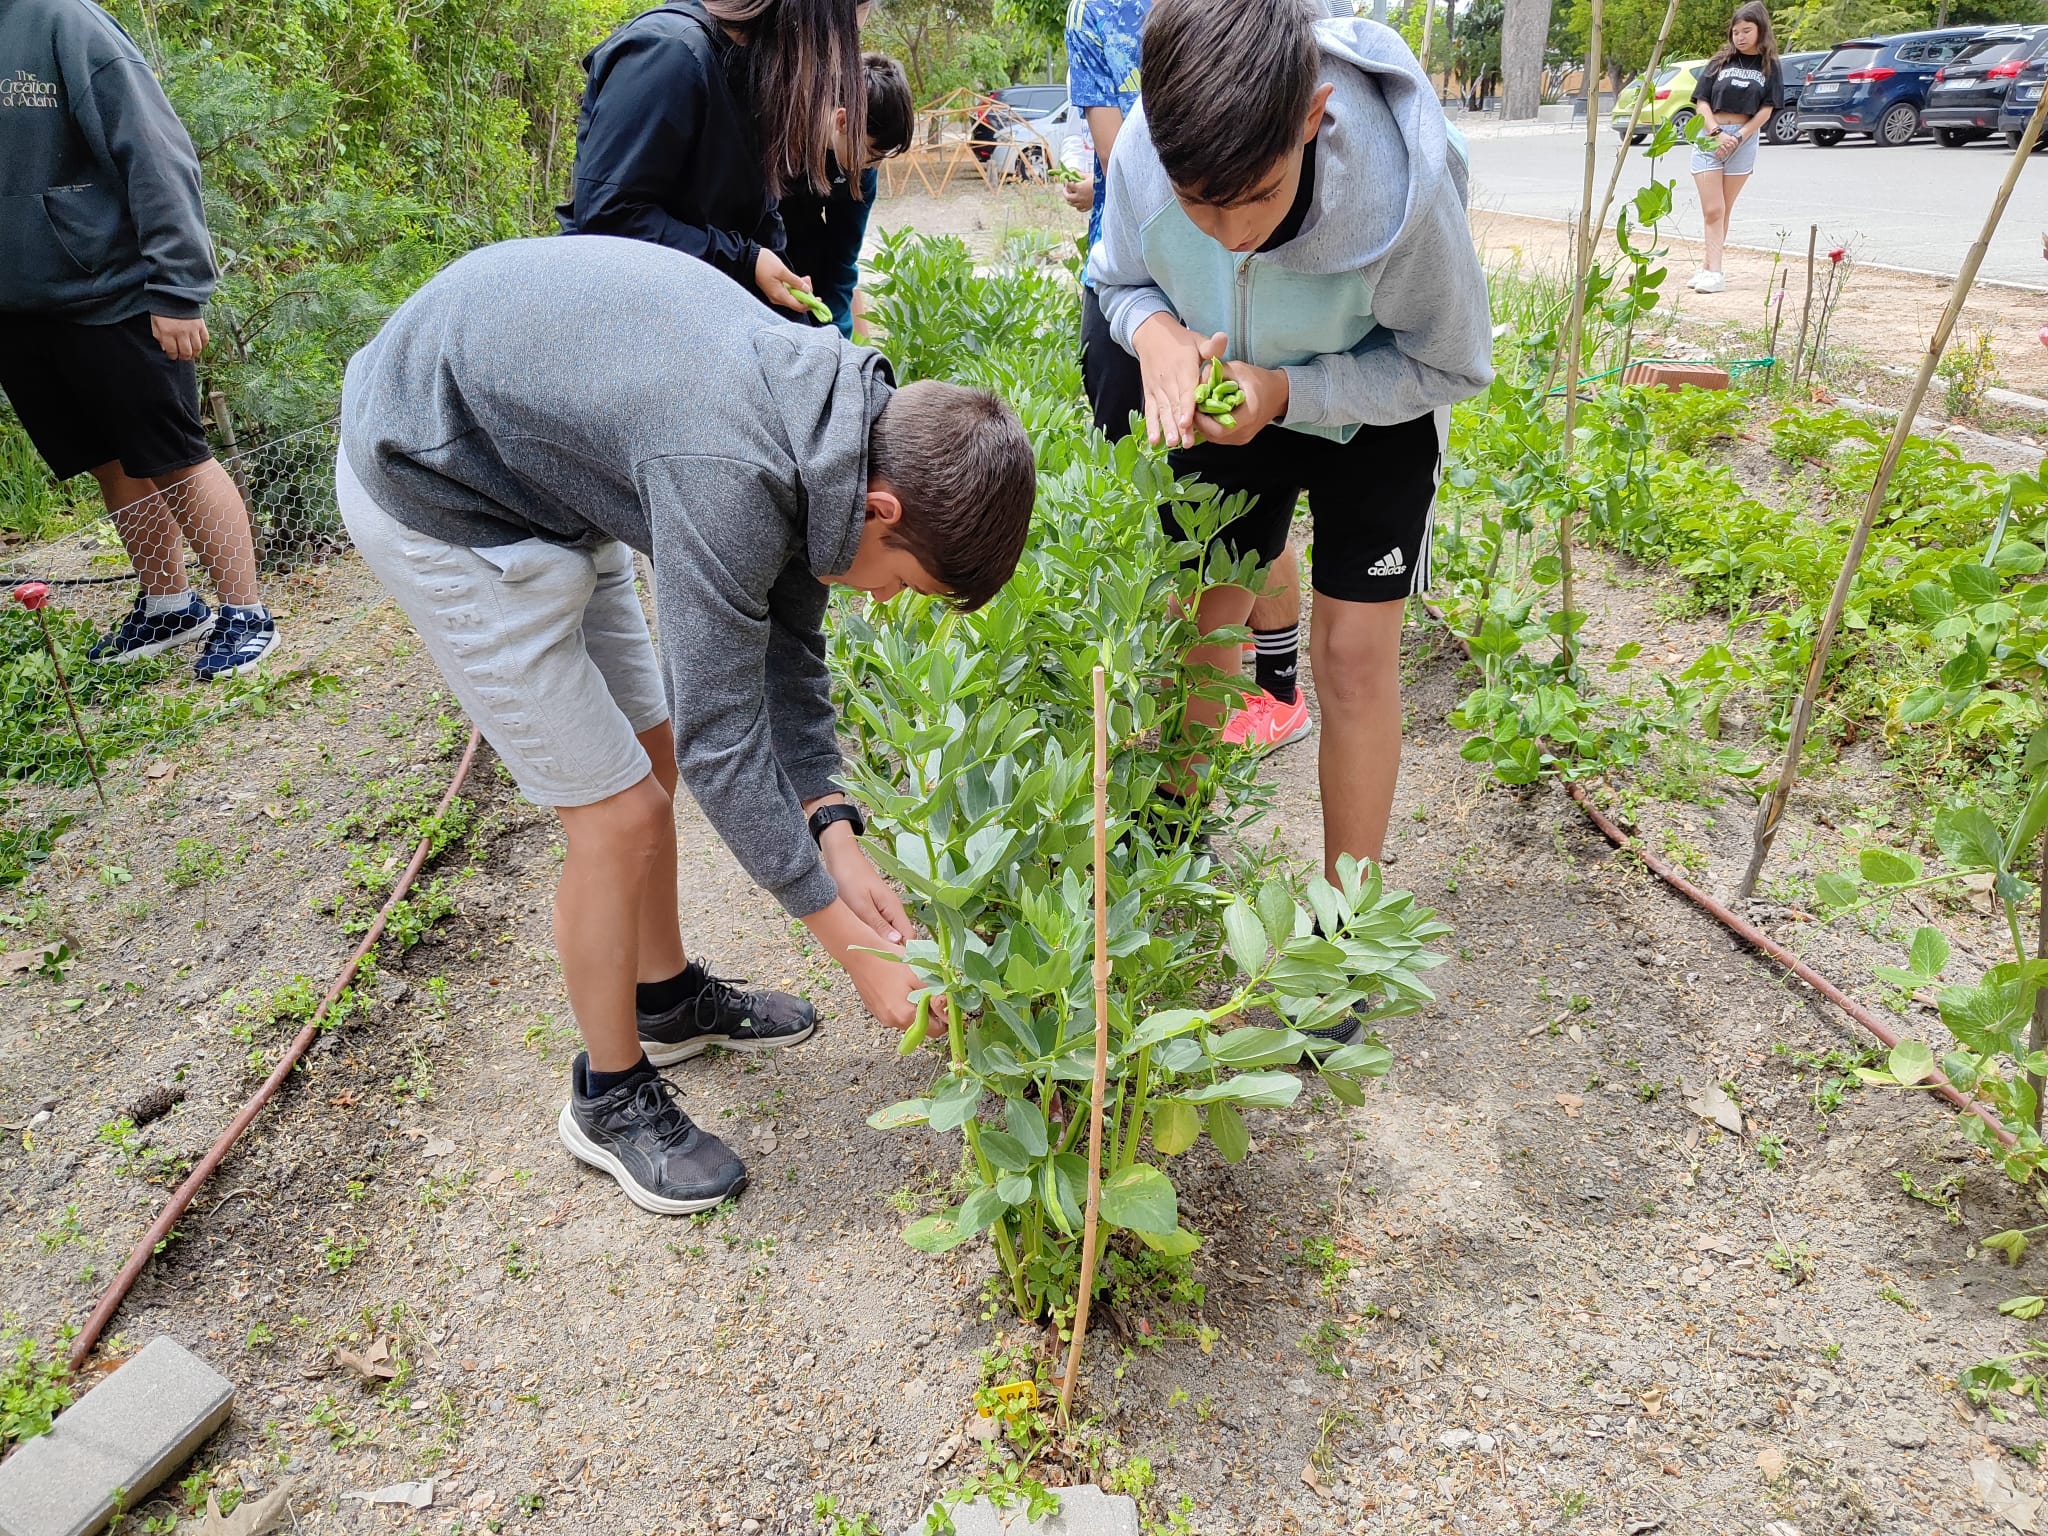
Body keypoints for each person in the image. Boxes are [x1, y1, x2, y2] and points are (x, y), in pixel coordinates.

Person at [337, 236, 1035, 1215]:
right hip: (434, 480)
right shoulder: (732, 472)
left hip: (541, 473)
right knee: (615, 809)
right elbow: (725, 740)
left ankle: (661, 1000)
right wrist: (847, 941)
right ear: (881, 507)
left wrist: (834, 828)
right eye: (906, 584)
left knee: (648, 748)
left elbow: (781, 657)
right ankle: (607, 1096)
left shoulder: (831, 434)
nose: (887, 602)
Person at [1092, 0, 1492, 1044]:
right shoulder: (1148, 143)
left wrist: (1291, 395)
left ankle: (1342, 934)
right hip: (1232, 390)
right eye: (1198, 205)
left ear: (1311, 118)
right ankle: (1168, 867)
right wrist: (1160, 335)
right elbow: (1116, 282)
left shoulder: (1404, 197)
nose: (1228, 234)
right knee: (1207, 627)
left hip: (1377, 398)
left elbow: (1448, 364)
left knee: (1352, 658)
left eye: (1256, 200)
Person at [0, 0, 278, 680]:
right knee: (109, 461)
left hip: (112, 292)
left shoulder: (62, 20)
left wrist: (179, 288)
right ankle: (170, 605)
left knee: (174, 457)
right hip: (19, 307)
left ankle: (246, 613)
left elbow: (153, 147)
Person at [1064, 0, 1312, 753]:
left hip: (1248, 302)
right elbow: (1121, 160)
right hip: (1141, 276)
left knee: (1226, 547)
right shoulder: (1096, 15)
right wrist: (1156, 329)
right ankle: (1213, 711)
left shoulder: (1266, 21)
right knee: (1178, 541)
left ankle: (1263, 694)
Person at [558, 0, 866, 320]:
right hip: (613, 316)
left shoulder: (754, 70)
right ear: (806, 19)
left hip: (686, 312)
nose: (836, 63)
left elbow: (760, 211)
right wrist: (745, 260)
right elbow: (610, 215)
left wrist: (782, 290)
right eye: (843, 36)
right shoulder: (670, 53)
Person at [780, 52, 914, 337]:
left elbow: (842, 258)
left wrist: (838, 337)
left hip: (807, 258)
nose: (873, 167)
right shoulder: (781, 136)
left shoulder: (861, 170)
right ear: (843, 122)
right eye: (871, 154)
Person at [1686, 2, 1780, 294]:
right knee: (1712, 209)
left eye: (1747, 31)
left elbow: (1767, 109)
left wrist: (1739, 136)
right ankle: (1714, 272)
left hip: (1744, 139)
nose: (1740, 37)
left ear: (1760, 30)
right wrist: (1715, 132)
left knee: (1723, 210)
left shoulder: (1770, 66)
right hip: (1709, 136)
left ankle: (1710, 268)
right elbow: (1701, 101)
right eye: (1736, 31)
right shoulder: (1719, 62)